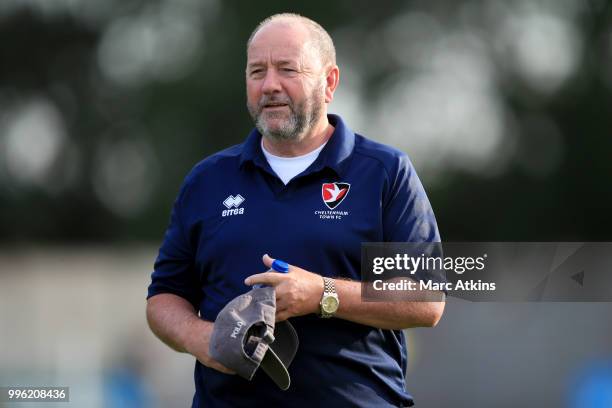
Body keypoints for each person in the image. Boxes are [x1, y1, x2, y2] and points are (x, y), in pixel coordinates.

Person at [146, 13, 444, 408]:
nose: (270, 85)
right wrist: (201, 338)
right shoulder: (207, 181)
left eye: (287, 70)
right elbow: (164, 297)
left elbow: (425, 298)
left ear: (329, 83)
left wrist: (323, 293)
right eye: (257, 72)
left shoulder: (384, 172)